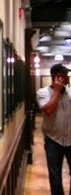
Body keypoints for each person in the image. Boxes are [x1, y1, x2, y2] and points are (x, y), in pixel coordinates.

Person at [36, 63, 71, 195]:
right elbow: (48, 110)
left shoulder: (70, 93)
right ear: (55, 77)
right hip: (53, 140)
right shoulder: (43, 92)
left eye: (67, 76)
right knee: (55, 175)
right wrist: (56, 91)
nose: (67, 79)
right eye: (63, 76)